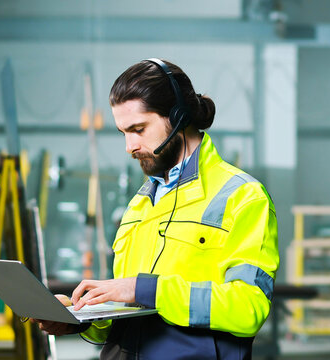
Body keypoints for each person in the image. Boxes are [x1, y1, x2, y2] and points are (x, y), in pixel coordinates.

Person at [35, 58, 280, 359]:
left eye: (138, 129)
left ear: (177, 117)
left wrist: (148, 290)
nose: (129, 146)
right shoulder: (141, 203)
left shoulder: (242, 197)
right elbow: (126, 313)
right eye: (123, 132)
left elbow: (249, 308)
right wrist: (80, 319)